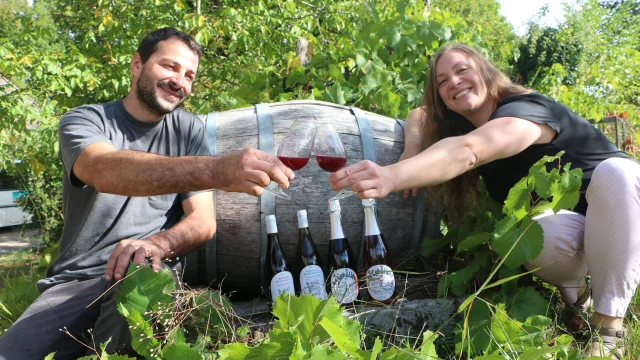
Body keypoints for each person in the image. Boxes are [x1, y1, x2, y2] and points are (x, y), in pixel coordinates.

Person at [329, 43, 640, 358]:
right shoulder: (469, 125)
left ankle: (609, 333)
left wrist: (391, 176)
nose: (454, 82)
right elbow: (419, 113)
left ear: (486, 73)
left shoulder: (525, 110)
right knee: (533, 234)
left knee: (615, 171)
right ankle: (581, 298)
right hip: (581, 232)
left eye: (462, 70)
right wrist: (412, 146)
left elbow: (469, 150)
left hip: (627, 218)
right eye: (442, 82)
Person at [0, 27, 293, 359]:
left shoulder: (188, 129)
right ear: (137, 64)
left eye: (189, 75)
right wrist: (215, 169)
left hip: (146, 273)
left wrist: (158, 243)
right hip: (75, 281)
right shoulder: (84, 120)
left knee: (127, 337)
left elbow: (203, 221)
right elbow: (104, 169)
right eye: (169, 67)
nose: (179, 81)